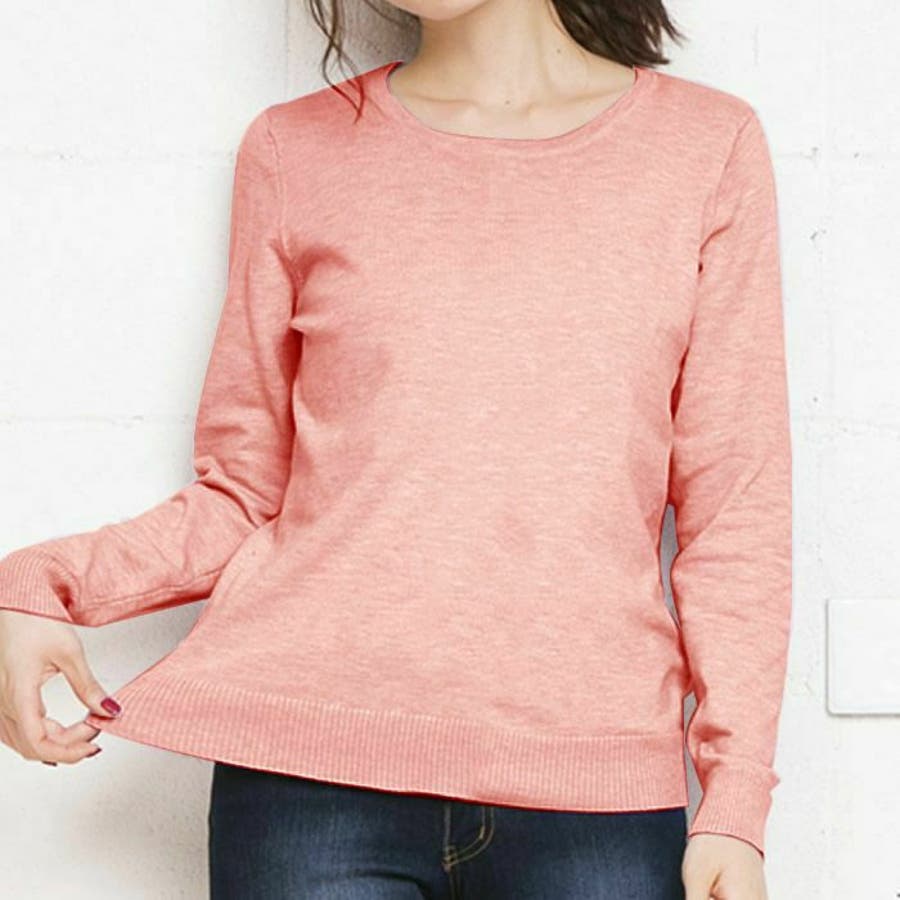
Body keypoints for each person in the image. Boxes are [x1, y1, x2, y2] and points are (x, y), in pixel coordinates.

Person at [0, 1, 793, 898]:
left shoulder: (705, 148)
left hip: (593, 795)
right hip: (306, 785)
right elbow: (245, 495)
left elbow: (736, 515)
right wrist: (43, 581)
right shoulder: (294, 150)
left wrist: (736, 801)